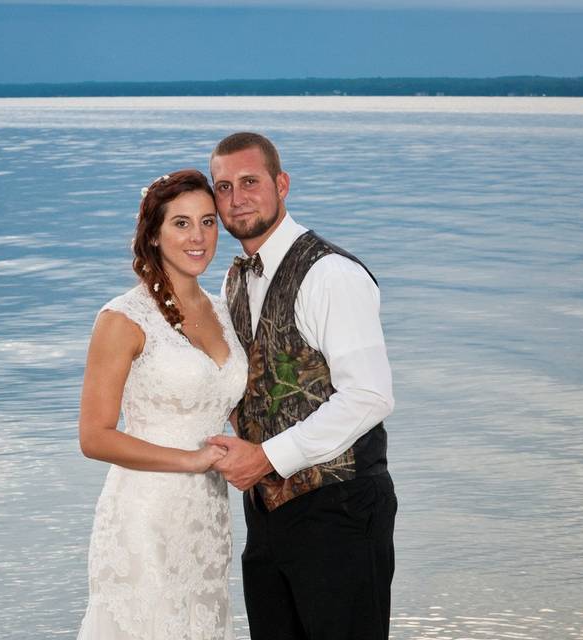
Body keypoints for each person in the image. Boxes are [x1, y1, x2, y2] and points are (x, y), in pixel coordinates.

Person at [207, 132, 397, 640]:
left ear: (282, 184)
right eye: (223, 187)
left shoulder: (330, 274)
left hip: (341, 509)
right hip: (266, 518)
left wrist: (267, 457)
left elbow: (370, 395)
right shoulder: (234, 280)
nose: (236, 197)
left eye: (249, 182)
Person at [75, 169, 248, 639]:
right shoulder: (123, 319)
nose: (198, 237)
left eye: (209, 222)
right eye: (181, 223)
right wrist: (191, 460)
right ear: (153, 234)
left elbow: (230, 402)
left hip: (208, 519)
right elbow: (94, 437)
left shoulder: (224, 309)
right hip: (144, 514)